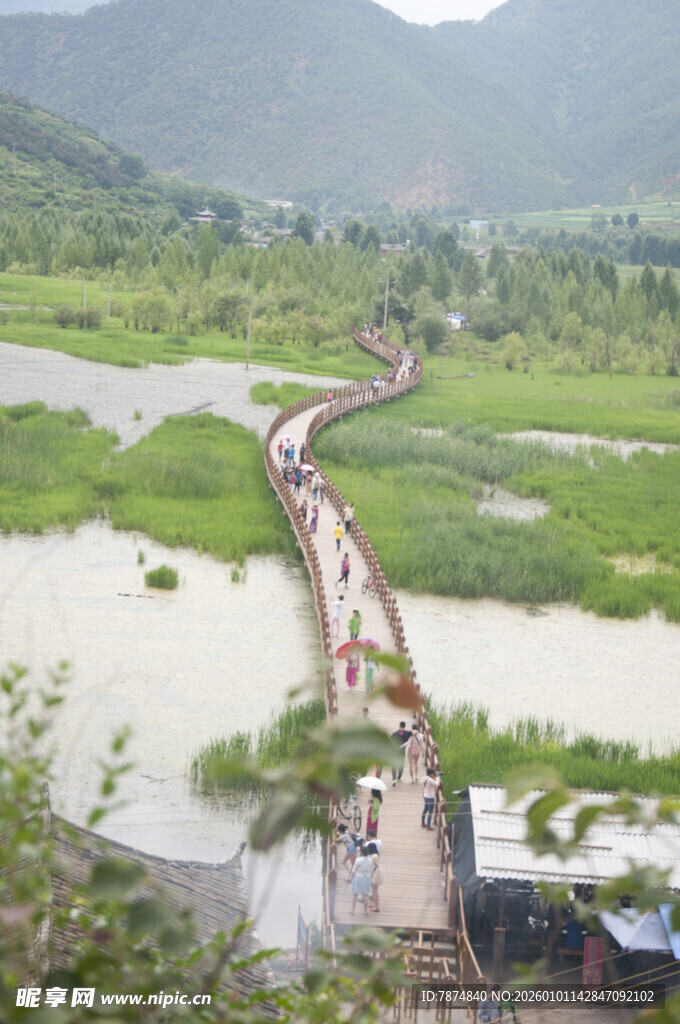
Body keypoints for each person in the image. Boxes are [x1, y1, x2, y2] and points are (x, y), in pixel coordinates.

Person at [349, 844, 373, 916]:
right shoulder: (370, 860)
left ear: (361, 852)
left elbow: (353, 870)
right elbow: (372, 869)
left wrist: (351, 878)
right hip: (367, 878)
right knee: (366, 895)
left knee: (355, 895)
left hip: (358, 878)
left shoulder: (358, 860)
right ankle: (365, 911)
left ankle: (353, 910)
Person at [364, 841, 383, 913]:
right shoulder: (376, 854)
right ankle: (374, 904)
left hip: (375, 874)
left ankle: (376, 907)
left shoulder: (374, 856)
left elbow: (374, 865)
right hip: (375, 873)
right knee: (374, 891)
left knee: (375, 891)